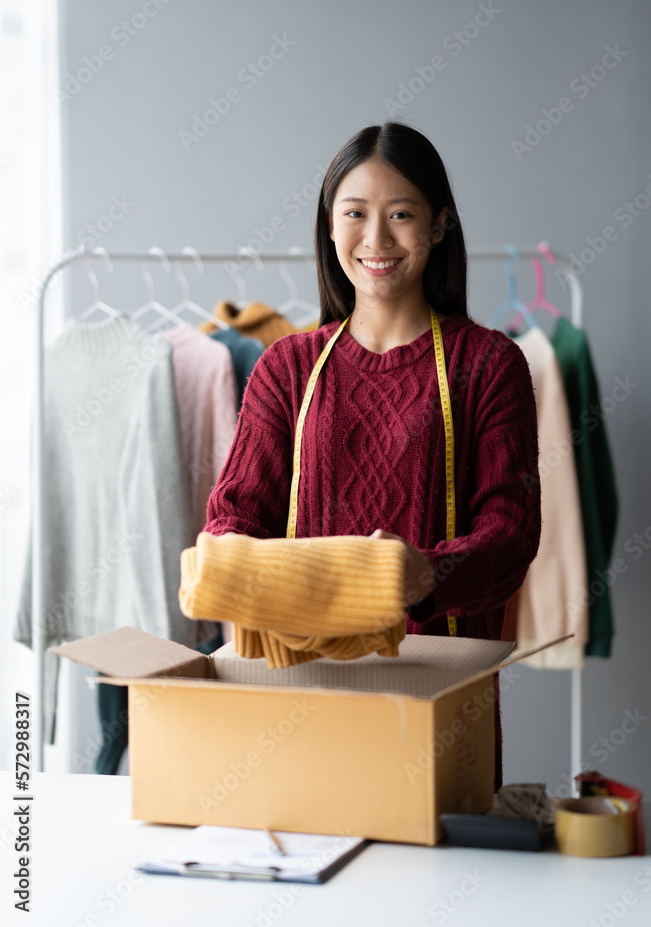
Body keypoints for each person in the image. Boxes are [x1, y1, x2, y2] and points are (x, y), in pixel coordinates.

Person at [204, 121, 541, 783]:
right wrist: (235, 561)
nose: (376, 240)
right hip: (300, 693)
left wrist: (422, 576)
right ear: (330, 229)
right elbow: (233, 516)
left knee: (436, 872)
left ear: (438, 226)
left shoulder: (489, 364)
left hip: (438, 697)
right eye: (355, 214)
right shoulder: (285, 368)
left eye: (402, 215)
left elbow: (509, 536)